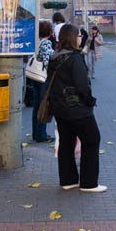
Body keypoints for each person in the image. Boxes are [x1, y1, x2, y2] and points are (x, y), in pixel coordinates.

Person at [47, 23, 105, 193]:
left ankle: (68, 180)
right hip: (77, 109)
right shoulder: (74, 58)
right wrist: (90, 101)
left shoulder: (55, 57)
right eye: (79, 35)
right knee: (92, 139)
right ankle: (88, 183)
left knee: (66, 143)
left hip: (59, 108)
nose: (81, 38)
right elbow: (82, 86)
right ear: (73, 38)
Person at [31, 21, 55, 143]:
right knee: (43, 105)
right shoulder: (46, 42)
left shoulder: (36, 42)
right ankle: (41, 134)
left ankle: (35, 133)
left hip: (34, 76)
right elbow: (47, 60)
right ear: (49, 31)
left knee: (36, 105)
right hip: (43, 77)